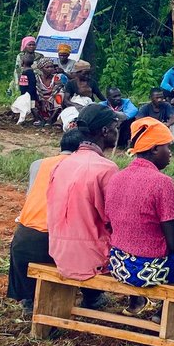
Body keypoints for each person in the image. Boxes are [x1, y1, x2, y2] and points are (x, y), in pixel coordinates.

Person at [105, 117, 174, 315]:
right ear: (155, 149)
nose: (170, 153)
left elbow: (111, 224)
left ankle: (137, 303)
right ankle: (164, 314)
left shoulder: (116, 177)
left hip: (118, 264)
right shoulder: (162, 183)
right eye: (167, 147)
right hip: (149, 271)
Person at [7, 129, 84, 315]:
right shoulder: (82, 167)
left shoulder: (38, 164)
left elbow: (30, 195)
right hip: (58, 242)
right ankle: (92, 296)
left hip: (24, 239)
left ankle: (27, 299)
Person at [46, 104, 121, 282]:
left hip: (59, 253)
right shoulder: (107, 169)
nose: (117, 133)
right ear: (105, 131)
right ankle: (137, 300)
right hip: (93, 259)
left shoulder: (61, 163)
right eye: (115, 128)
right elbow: (115, 220)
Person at [137, 87, 174, 158]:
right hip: (150, 131)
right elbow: (138, 119)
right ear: (151, 98)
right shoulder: (145, 108)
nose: (159, 100)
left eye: (161, 97)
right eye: (157, 98)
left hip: (164, 130)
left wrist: (167, 124)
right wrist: (153, 125)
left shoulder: (166, 105)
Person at [32, 57, 65, 127]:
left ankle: (51, 119)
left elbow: (58, 89)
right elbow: (35, 90)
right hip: (40, 99)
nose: (50, 69)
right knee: (31, 96)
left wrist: (49, 98)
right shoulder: (36, 78)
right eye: (47, 67)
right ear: (41, 68)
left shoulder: (57, 78)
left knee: (60, 95)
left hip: (52, 99)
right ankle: (39, 119)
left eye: (52, 67)